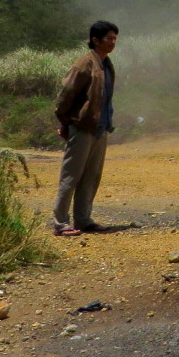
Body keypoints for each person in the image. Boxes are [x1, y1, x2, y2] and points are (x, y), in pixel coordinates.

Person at [52, 20, 119, 236]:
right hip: (82, 127)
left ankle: (83, 219)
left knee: (91, 176)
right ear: (95, 40)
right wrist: (65, 122)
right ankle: (61, 223)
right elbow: (65, 96)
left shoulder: (106, 64)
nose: (113, 42)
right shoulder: (83, 65)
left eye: (115, 38)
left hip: (100, 128)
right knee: (71, 176)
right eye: (109, 38)